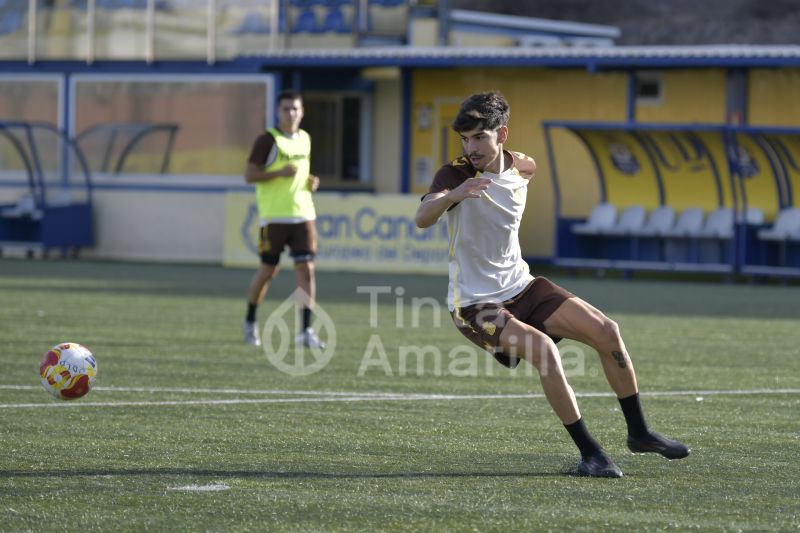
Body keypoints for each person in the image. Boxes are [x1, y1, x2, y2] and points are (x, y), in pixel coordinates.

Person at [414, 91, 688, 478]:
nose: (470, 147)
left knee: (607, 332)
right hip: (474, 304)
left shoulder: (524, 165)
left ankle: (640, 433)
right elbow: (423, 217)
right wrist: (454, 195)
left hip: (523, 287)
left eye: (479, 137)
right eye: (464, 138)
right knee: (543, 349)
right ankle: (591, 453)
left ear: (502, 134)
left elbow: (521, 174)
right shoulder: (455, 174)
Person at [242, 89, 325, 349]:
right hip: (274, 217)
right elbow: (249, 175)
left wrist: (310, 182)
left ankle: (305, 331)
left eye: (295, 109)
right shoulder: (268, 140)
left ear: (302, 112)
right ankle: (250, 321)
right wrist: (278, 174)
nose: (291, 113)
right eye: (286, 109)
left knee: (306, 270)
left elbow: (301, 174)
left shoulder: (305, 139)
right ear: (278, 112)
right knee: (268, 271)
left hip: (302, 214)